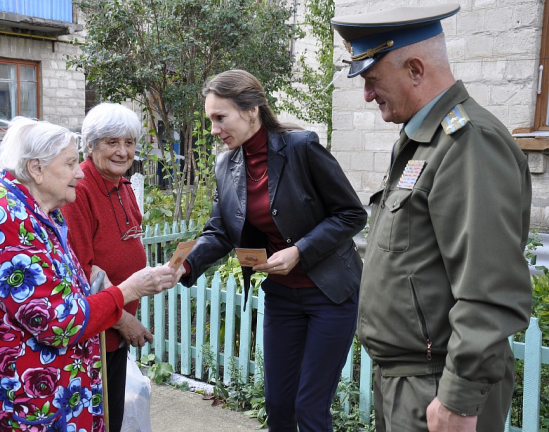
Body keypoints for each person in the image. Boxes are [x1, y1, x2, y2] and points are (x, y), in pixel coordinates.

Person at [332, 4, 532, 432]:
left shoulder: (468, 144)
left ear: (416, 69)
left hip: (438, 385)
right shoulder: (422, 141)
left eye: (372, 80)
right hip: (410, 381)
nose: (366, 95)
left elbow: (489, 288)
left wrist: (459, 398)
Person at [0, 117, 179, 431]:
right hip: (13, 403)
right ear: (37, 169)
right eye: (70, 164)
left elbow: (62, 286)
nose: (80, 172)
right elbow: (55, 322)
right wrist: (128, 290)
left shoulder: (40, 211)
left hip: (46, 398)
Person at [178, 69, 367, 432]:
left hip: (330, 295)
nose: (214, 129)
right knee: (279, 405)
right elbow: (219, 230)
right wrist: (183, 264)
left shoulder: (301, 147)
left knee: (309, 408)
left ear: (251, 110)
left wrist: (300, 251)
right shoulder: (226, 164)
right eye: (210, 120)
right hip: (282, 298)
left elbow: (351, 214)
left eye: (220, 118)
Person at [62, 102, 162, 432]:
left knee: (113, 419)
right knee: (100, 421)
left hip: (115, 335)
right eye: (112, 142)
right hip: (93, 337)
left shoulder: (122, 185)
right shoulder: (79, 191)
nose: (122, 151)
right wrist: (124, 320)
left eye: (129, 143)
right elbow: (80, 273)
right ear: (90, 146)